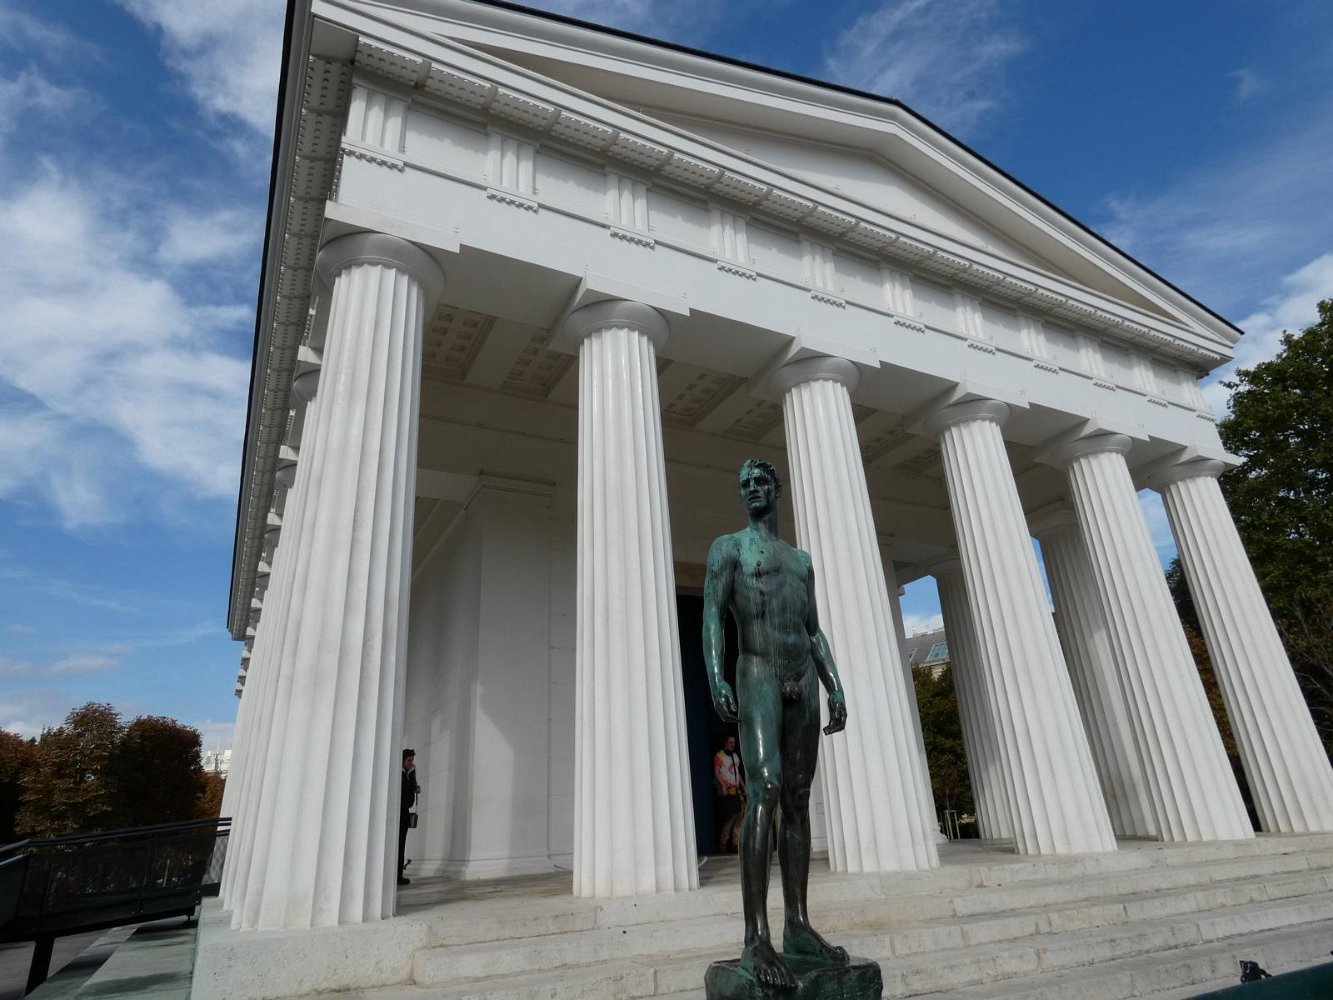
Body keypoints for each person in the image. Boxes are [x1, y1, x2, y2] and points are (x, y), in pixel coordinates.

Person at [703, 458, 850, 990]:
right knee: (764, 787)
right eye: (743, 483)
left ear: (776, 489)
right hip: (758, 671)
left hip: (802, 677)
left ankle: (798, 924)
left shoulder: (800, 560)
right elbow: (713, 616)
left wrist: (834, 683)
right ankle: (756, 935)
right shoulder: (729, 549)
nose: (750, 489)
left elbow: (813, 630)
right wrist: (716, 675)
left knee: (798, 797)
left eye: (759, 481)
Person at [714, 734, 743, 853]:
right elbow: (716, 772)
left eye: (733, 743)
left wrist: (743, 786)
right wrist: (722, 785)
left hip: (736, 790)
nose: (732, 745)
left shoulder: (735, 756)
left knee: (739, 816)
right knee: (730, 817)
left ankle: (735, 842)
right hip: (727, 791)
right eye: (730, 742)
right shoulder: (719, 756)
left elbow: (737, 773)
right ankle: (723, 842)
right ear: (725, 743)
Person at [398, 748, 420, 886]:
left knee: (401, 844)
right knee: (397, 844)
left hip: (405, 810)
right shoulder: (397, 771)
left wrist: (416, 788)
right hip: (396, 810)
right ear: (402, 760)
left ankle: (398, 875)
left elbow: (413, 785)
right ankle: (394, 875)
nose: (411, 763)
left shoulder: (411, 771)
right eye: (409, 760)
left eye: (412, 760)